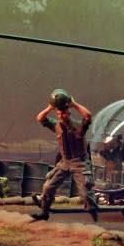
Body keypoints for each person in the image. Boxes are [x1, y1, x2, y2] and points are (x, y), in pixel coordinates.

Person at [32, 89, 99, 221]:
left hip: (79, 163)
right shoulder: (56, 126)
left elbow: (88, 116)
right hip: (64, 162)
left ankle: (93, 212)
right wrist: (50, 108)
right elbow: (40, 118)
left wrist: (74, 104)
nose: (61, 116)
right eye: (59, 114)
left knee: (85, 193)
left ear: (69, 113)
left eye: (64, 113)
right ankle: (44, 212)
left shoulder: (78, 126)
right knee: (48, 187)